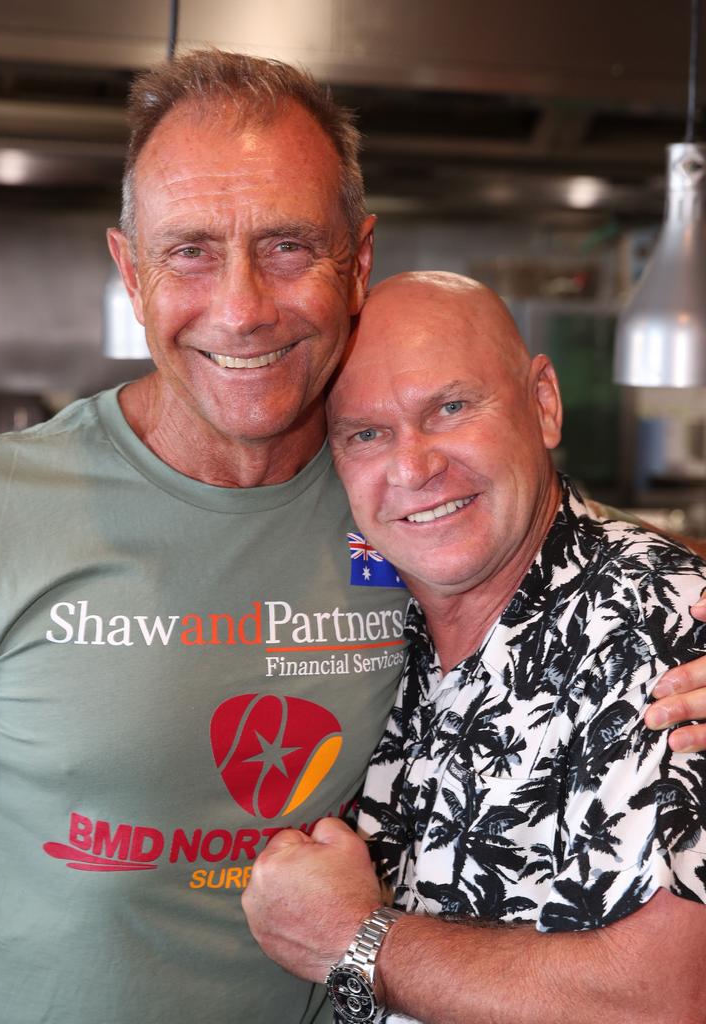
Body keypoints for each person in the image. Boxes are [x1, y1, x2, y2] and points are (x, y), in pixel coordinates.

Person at [0, 49, 706, 1024]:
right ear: (129, 272)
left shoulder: (397, 510)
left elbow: (578, 567)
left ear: (360, 259)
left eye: (289, 245)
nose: (243, 308)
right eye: (188, 251)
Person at [242, 273, 706, 1024]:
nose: (414, 467)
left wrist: (355, 941)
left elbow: (669, 1002)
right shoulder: (386, 617)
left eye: (451, 408)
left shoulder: (669, 634)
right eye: (366, 433)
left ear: (543, 403)